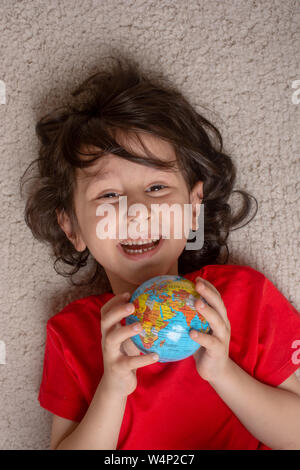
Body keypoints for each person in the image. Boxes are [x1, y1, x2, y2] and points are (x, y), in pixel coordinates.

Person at [20, 56, 300, 450]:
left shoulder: (244, 298)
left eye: (156, 188)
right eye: (109, 195)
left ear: (193, 208)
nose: (137, 213)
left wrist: (224, 374)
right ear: (72, 228)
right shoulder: (72, 336)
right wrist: (112, 391)